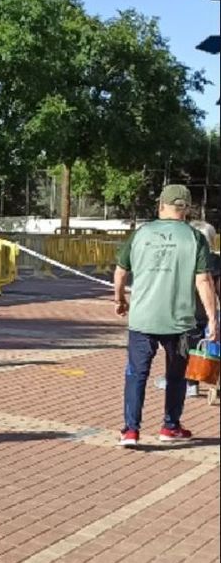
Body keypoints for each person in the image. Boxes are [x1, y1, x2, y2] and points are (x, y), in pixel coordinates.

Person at [114, 185, 218, 448]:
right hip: (180, 321)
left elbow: (121, 271)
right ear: (187, 208)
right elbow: (204, 281)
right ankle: (170, 426)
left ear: (161, 205)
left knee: (136, 374)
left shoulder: (141, 233)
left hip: (143, 318)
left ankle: (130, 430)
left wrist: (120, 300)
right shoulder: (195, 238)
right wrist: (212, 318)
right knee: (176, 375)